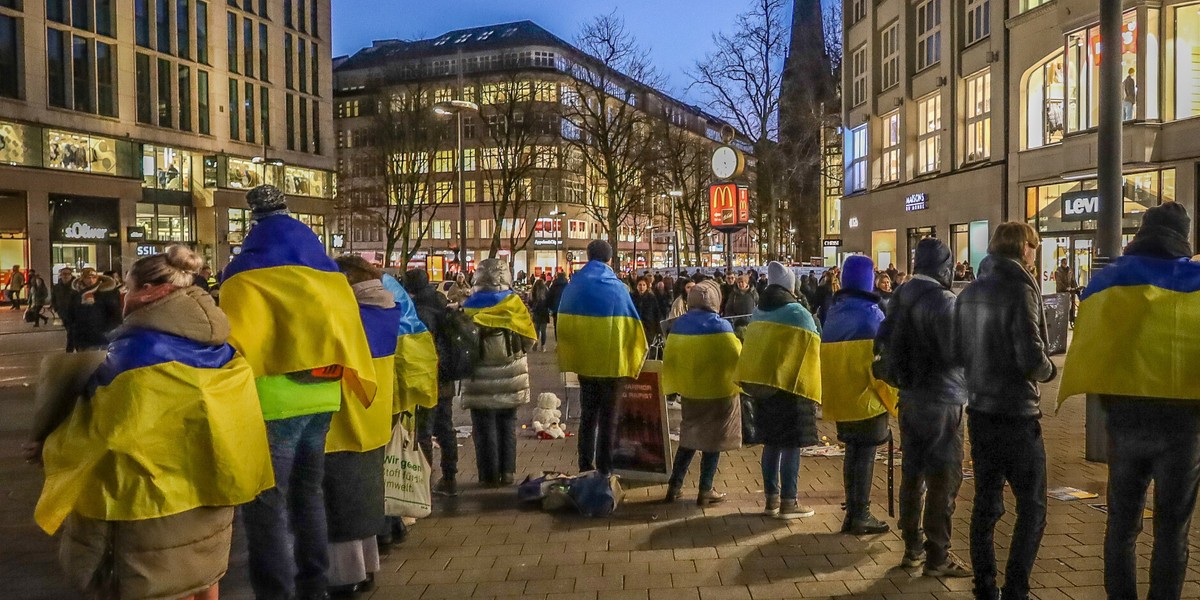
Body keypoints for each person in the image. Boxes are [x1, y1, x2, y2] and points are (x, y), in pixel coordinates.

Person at [25, 246, 273, 600]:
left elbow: (101, 439)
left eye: (128, 287)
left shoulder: (134, 357)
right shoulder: (221, 348)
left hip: (148, 519)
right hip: (208, 510)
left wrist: (45, 446)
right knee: (201, 583)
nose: (124, 295)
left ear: (151, 291)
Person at [221, 185, 379, 600]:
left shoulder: (246, 273)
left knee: (267, 503)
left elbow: (234, 341)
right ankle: (314, 584)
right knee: (309, 495)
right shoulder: (326, 272)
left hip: (273, 400)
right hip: (324, 394)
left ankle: (275, 592)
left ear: (254, 223)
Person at [1057, 202, 1200, 600]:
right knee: (1173, 530)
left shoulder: (1108, 280)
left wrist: (1109, 403)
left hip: (1126, 423)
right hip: (1184, 427)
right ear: (1182, 236)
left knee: (1121, 524)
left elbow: (1093, 347)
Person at [955, 222, 1056, 600]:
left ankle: (984, 586)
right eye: (1034, 246)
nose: (1035, 253)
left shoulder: (969, 293)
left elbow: (957, 349)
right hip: (1017, 412)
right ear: (1022, 248)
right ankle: (1016, 588)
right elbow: (1031, 355)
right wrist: (1051, 370)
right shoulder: (1020, 289)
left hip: (980, 412)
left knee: (986, 503)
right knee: (1032, 507)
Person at [875, 238, 972, 577]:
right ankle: (937, 555)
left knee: (913, 473)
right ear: (944, 268)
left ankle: (912, 546)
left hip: (910, 398)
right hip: (943, 398)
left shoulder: (901, 294)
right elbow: (956, 352)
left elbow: (884, 340)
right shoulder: (944, 301)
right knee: (944, 478)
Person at [322, 257, 401, 596]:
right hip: (372, 416)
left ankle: (345, 576)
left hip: (344, 420)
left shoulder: (350, 319)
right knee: (363, 498)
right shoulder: (385, 310)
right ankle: (367, 568)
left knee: (340, 502)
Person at [735, 262, 821, 519]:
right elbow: (815, 338)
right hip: (791, 386)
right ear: (791, 286)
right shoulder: (797, 312)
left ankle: (771, 499)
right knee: (791, 445)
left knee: (771, 443)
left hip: (765, 386)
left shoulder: (759, 310)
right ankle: (789, 502)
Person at [557, 240, 648, 474]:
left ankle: (584, 466)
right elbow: (632, 327)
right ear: (610, 260)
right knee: (608, 419)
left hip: (585, 365)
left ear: (588, 256)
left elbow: (563, 324)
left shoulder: (574, 286)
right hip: (612, 366)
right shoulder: (617, 288)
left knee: (588, 417)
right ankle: (605, 470)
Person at [821, 255, 896, 535]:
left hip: (842, 400)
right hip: (866, 401)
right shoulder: (872, 315)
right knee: (864, 455)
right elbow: (881, 367)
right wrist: (895, 402)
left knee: (852, 454)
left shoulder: (835, 312)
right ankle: (860, 514)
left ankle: (853, 512)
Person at [662, 279, 742, 506]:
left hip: (690, 392)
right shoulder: (722, 327)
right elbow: (736, 356)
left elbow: (671, 357)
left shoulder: (678, 325)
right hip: (718, 393)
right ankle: (705, 489)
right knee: (712, 442)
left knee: (688, 438)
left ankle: (674, 486)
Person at [461, 258, 536, 486]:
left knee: (483, 427)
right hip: (511, 377)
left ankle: (488, 474)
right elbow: (530, 340)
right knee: (507, 425)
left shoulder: (469, 306)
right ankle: (508, 472)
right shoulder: (514, 305)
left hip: (479, 378)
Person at [403, 268, 459, 496]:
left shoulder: (418, 311)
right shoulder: (442, 303)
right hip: (445, 378)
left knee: (424, 432)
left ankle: (424, 482)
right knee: (446, 428)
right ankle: (450, 477)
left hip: (428, 377)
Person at [67, 267, 122, 351]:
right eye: (87, 278)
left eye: (93, 277)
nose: (91, 280)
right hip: (83, 338)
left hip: (104, 338)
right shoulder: (76, 294)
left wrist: (109, 332)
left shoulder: (108, 292)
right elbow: (71, 316)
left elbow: (115, 314)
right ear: (82, 279)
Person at [631, 276, 661, 343]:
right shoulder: (632, 297)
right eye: (640, 285)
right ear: (636, 286)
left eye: (644, 285)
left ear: (647, 286)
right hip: (635, 327)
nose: (642, 287)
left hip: (649, 328)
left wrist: (658, 330)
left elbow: (656, 313)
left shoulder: (651, 298)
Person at [51, 268, 77, 347]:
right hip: (63, 313)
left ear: (71, 275)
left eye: (67, 274)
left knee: (71, 331)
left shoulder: (76, 286)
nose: (65, 276)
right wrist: (57, 309)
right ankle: (73, 346)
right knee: (69, 330)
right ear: (60, 275)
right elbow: (54, 299)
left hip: (75, 313)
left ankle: (70, 348)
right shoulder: (57, 287)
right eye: (63, 274)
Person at [1053, 258, 1079, 326]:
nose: (1065, 264)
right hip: (1062, 292)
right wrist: (1066, 288)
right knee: (1062, 308)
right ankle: (1061, 321)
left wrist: (1076, 288)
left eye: (1066, 262)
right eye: (1064, 262)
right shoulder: (1058, 271)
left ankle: (1071, 319)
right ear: (1061, 263)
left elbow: (1073, 280)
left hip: (1070, 292)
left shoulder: (1070, 270)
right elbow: (1059, 282)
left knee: (1071, 307)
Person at [530, 278, 552, 351]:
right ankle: (543, 346)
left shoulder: (533, 291)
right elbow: (549, 300)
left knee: (536, 330)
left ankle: (535, 344)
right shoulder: (546, 290)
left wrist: (532, 307)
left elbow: (530, 301)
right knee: (543, 331)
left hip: (536, 312)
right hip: (544, 312)